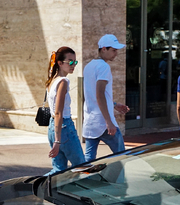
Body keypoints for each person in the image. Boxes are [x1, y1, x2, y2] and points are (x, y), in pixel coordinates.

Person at [82, 34, 130, 162]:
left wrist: (113, 104)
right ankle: (120, 181)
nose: (116, 54)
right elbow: (99, 94)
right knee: (122, 156)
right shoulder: (104, 67)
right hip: (103, 122)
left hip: (90, 121)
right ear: (104, 49)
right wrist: (109, 121)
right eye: (113, 50)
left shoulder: (88, 67)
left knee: (89, 159)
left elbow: (94, 94)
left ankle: (86, 181)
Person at [45, 47, 85, 175]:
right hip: (64, 127)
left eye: (75, 62)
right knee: (81, 167)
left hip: (53, 126)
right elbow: (58, 112)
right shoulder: (63, 81)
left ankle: (40, 187)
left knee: (59, 169)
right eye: (70, 62)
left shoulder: (52, 81)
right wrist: (57, 140)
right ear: (60, 63)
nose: (73, 65)